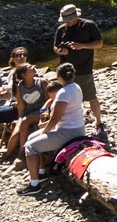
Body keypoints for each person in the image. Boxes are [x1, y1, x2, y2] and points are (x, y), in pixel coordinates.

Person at [21, 62, 88, 194]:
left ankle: (34, 185)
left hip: (67, 132)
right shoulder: (76, 87)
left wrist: (45, 130)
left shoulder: (63, 92)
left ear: (58, 76)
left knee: (30, 147)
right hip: (76, 128)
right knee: (31, 137)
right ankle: (40, 173)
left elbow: (55, 119)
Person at [53, 3, 105, 132]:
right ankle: (69, 122)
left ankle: (98, 121)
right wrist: (60, 51)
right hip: (65, 71)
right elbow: (55, 47)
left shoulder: (88, 25)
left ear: (76, 17)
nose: (67, 23)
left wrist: (82, 46)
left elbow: (99, 44)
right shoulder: (61, 29)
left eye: (69, 20)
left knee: (91, 97)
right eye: (65, 21)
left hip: (83, 69)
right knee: (65, 98)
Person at [0, 59, 45, 163]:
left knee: (25, 124)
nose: (33, 67)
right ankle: (7, 154)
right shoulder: (19, 87)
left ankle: (21, 154)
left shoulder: (42, 82)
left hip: (40, 111)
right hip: (27, 113)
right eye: (30, 67)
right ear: (24, 74)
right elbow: (21, 105)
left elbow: (49, 100)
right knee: (16, 132)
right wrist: (19, 118)